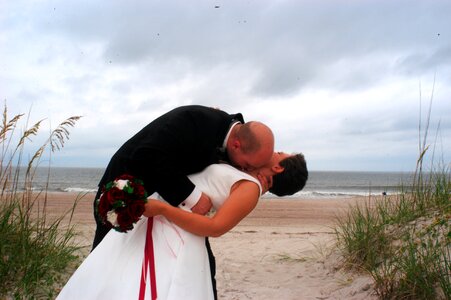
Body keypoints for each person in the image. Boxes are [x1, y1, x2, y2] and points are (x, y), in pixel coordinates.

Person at [57, 152, 308, 300]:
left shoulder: (250, 189)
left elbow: (215, 228)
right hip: (157, 217)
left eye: (281, 152)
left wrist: (164, 209)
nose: (274, 150)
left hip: (175, 231)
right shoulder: (244, 171)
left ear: (278, 166)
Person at [92, 105, 275, 297]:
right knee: (108, 261)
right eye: (246, 165)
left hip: (163, 206)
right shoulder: (194, 120)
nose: (244, 170)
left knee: (200, 266)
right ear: (236, 145)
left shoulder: (232, 134)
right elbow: (147, 154)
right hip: (124, 192)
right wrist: (194, 197)